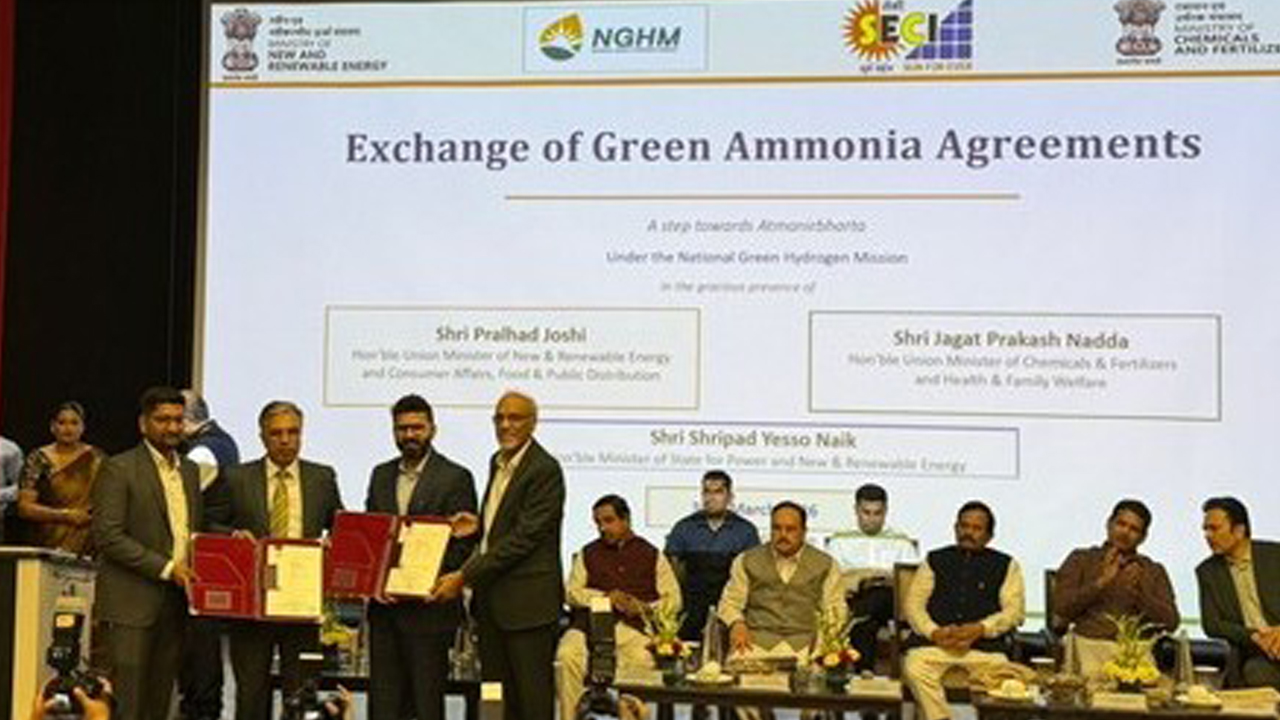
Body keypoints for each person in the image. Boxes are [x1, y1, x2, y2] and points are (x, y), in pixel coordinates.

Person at [205, 400, 344, 720]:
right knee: (251, 694)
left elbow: (339, 525)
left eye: (292, 432)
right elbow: (208, 522)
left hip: (302, 604)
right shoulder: (237, 477)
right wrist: (233, 535)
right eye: (276, 433)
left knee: (301, 694)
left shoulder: (322, 477)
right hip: (253, 606)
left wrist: (333, 543)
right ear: (262, 437)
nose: (285, 440)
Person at [434, 391, 565, 720]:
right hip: (493, 605)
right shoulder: (498, 462)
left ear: (533, 423)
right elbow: (504, 526)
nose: (505, 425)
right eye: (499, 418)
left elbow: (524, 538)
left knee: (532, 704)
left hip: (528, 608)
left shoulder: (544, 469)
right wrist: (479, 526)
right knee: (496, 701)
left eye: (515, 418)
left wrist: (464, 576)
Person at [91, 386, 203, 720]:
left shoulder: (190, 470)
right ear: (143, 424)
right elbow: (108, 536)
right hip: (131, 606)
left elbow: (189, 531)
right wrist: (168, 568)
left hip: (177, 604)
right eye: (162, 419)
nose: (172, 427)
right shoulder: (118, 468)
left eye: (178, 420)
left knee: (159, 704)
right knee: (127, 705)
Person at [364, 394, 477, 720]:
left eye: (417, 427)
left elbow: (463, 545)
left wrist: (425, 579)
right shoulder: (380, 475)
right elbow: (374, 537)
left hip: (430, 611)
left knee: (427, 706)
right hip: (385, 612)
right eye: (402, 429)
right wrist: (376, 580)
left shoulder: (455, 477)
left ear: (432, 430)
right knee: (383, 707)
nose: (410, 435)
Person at [558, 494, 681, 718]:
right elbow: (572, 594)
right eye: (598, 523)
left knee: (642, 659)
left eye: (609, 521)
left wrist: (644, 607)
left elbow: (673, 600)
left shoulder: (651, 554)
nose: (602, 528)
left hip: (633, 629)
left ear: (626, 520)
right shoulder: (588, 553)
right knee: (567, 655)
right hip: (588, 627)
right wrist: (606, 597)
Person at [903, 501, 1025, 720]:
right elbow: (914, 605)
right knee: (914, 666)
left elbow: (1014, 611)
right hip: (936, 645)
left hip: (984, 649)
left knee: (1004, 674)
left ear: (989, 536)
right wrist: (933, 632)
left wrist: (981, 628)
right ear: (955, 528)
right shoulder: (935, 560)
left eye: (977, 529)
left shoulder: (1006, 565)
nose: (968, 533)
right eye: (964, 526)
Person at [1052, 498, 1179, 678]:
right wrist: (1101, 583)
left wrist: (1139, 593)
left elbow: (1171, 622)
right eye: (1121, 524)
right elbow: (1061, 608)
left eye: (1134, 529)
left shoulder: (1153, 570)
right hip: (1089, 646)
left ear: (1143, 537)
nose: (1125, 532)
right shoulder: (1081, 559)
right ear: (1109, 524)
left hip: (1137, 653)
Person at [177, 389, 240, 720]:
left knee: (199, 646)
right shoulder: (223, 442)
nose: (172, 428)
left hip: (203, 559)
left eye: (175, 419)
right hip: (210, 556)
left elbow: (179, 501)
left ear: (187, 419)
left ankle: (201, 710)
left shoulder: (203, 452)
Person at [718, 501, 845, 656]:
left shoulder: (827, 564)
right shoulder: (746, 560)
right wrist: (736, 624)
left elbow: (835, 609)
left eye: (790, 529)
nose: (783, 535)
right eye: (776, 528)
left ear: (804, 531)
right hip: (755, 642)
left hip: (806, 644)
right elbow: (730, 602)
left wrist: (824, 643)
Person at [825, 482, 918, 673]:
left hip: (891, 604)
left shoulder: (901, 542)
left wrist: (880, 578)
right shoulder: (839, 541)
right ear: (856, 510)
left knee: (879, 595)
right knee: (866, 624)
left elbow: (910, 582)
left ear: (886, 511)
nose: (872, 519)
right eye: (866, 513)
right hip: (853, 599)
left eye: (877, 513)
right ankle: (865, 672)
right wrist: (862, 578)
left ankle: (856, 618)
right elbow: (833, 579)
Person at [664, 470, 759, 641]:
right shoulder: (684, 528)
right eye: (706, 492)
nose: (711, 497)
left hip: (732, 607)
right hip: (691, 607)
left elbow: (753, 575)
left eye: (718, 492)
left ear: (730, 497)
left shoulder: (746, 530)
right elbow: (672, 572)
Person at [1197, 496, 1280, 689]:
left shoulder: (1275, 556)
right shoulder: (1207, 571)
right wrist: (1255, 636)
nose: (1208, 536)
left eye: (1214, 528)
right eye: (1205, 529)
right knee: (1256, 672)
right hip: (1253, 652)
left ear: (1239, 531)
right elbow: (1212, 625)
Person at [17, 402, 104, 554]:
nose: (68, 428)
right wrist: (65, 516)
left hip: (87, 542)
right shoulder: (38, 458)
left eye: (74, 423)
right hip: (47, 543)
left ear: (83, 427)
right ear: (52, 427)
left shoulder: (97, 458)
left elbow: (110, 500)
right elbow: (25, 508)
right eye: (62, 423)